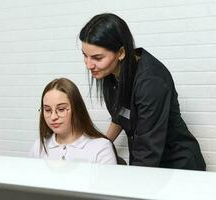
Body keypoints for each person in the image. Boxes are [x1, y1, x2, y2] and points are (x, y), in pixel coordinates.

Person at [79, 13, 206, 170]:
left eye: (97, 58)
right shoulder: (111, 72)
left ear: (121, 53)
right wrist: (100, 146)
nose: (89, 65)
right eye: (85, 56)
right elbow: (121, 114)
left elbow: (147, 150)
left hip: (178, 166)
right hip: (150, 162)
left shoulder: (151, 81)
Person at [29, 78, 117, 165]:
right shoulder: (38, 147)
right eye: (47, 110)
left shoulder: (101, 148)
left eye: (61, 109)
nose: (53, 117)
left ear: (77, 108)